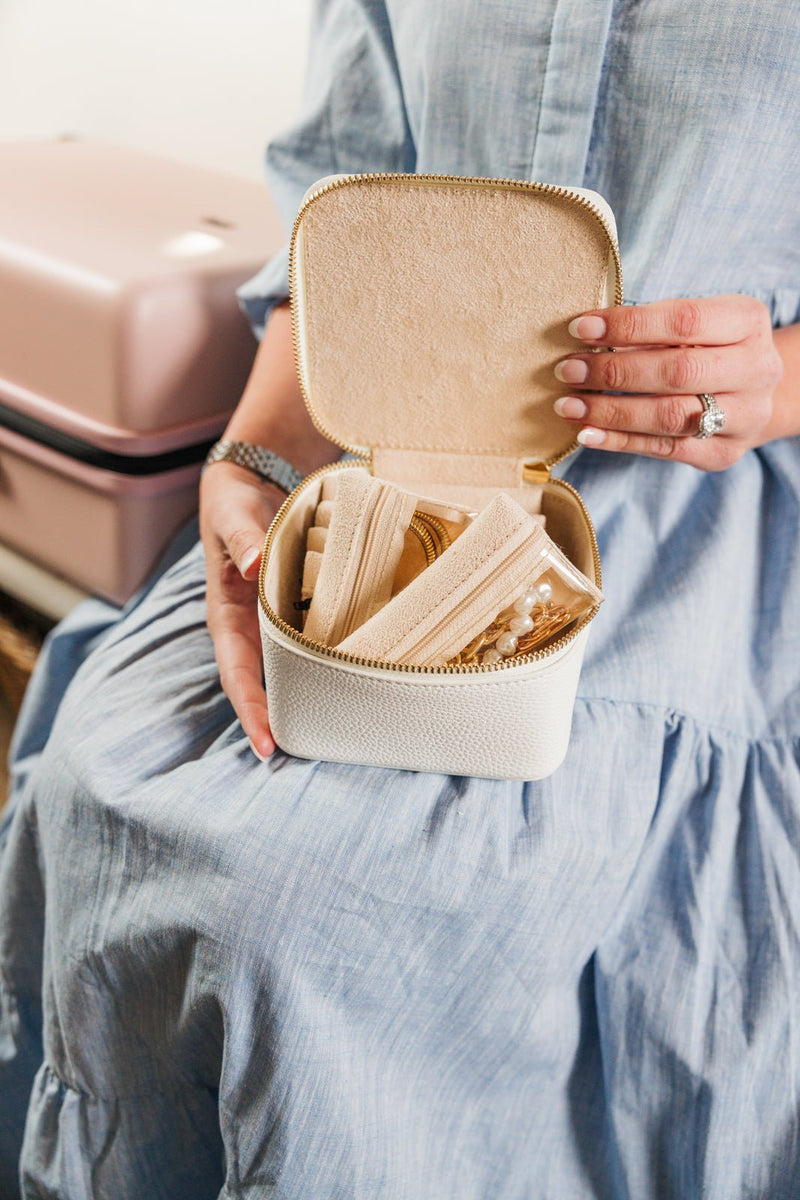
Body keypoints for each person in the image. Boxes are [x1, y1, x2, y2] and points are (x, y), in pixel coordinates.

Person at [1, 2, 799, 1196]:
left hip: (706, 510)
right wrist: (252, 459)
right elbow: (342, 201)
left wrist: (771, 383)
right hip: (372, 449)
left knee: (298, 912)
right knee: (94, 779)